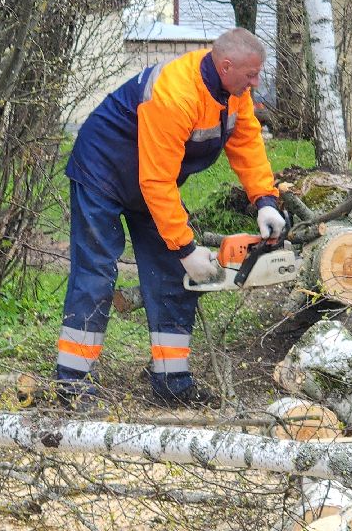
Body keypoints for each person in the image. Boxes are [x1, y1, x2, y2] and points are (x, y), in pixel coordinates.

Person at [54, 27, 285, 407]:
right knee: (96, 270)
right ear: (226, 66)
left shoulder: (235, 93)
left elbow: (246, 143)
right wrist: (187, 247)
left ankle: (171, 382)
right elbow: (156, 180)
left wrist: (265, 200)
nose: (257, 81)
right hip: (104, 170)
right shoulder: (175, 94)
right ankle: (71, 382)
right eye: (252, 74)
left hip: (151, 177)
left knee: (171, 273)